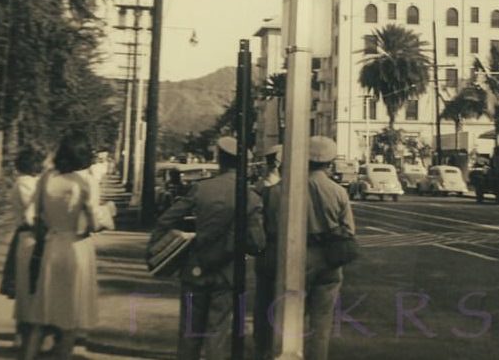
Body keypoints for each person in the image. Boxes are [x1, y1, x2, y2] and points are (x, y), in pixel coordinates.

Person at [150, 136, 265, 360]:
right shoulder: (251, 198)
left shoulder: (201, 189)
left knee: (189, 332)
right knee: (218, 332)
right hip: (229, 272)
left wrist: (163, 246)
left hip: (196, 267)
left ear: (220, 159)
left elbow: (166, 219)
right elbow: (257, 243)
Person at [260, 136, 355, 360]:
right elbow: (348, 230)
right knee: (321, 325)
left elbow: (269, 227)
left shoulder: (278, 191)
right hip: (328, 260)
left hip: (290, 258)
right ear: (329, 162)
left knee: (288, 319)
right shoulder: (338, 192)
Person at [21, 135, 110, 360]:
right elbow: (93, 223)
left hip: (51, 246)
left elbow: (32, 216)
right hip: (77, 248)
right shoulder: (86, 181)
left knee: (42, 315)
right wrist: (108, 213)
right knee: (70, 318)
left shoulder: (46, 178)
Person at [0, 149, 41, 348]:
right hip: (28, 234)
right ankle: (22, 335)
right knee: (26, 287)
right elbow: (31, 215)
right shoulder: (25, 183)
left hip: (32, 235)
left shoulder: (30, 182)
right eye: (37, 162)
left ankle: (25, 334)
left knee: (30, 287)